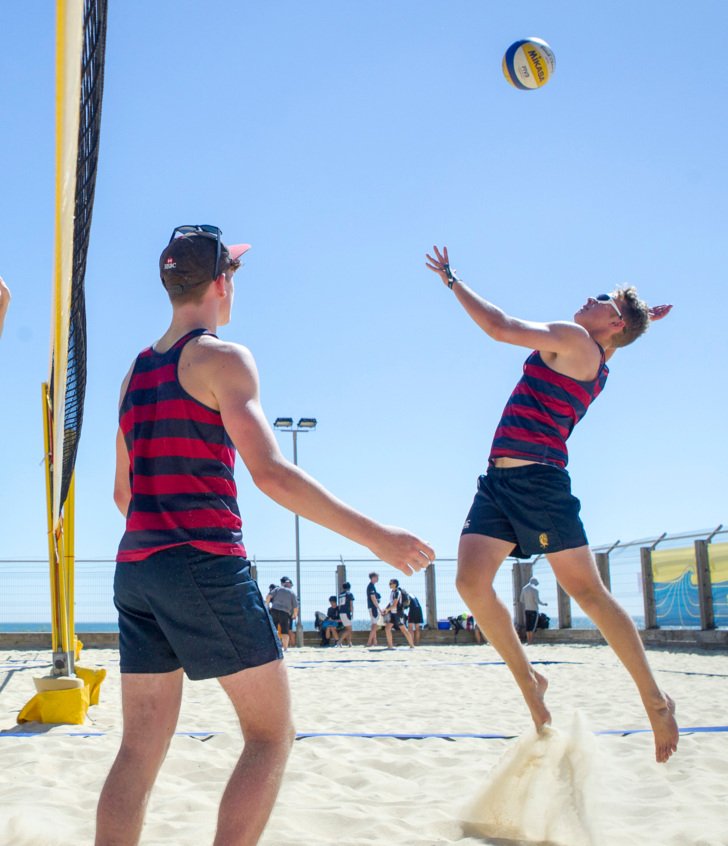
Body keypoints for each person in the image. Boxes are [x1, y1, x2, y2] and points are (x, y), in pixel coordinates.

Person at [96, 225, 435, 846]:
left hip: (137, 569)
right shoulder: (222, 358)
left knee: (138, 752)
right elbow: (271, 474)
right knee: (271, 735)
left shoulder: (134, 375)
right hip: (202, 560)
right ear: (221, 284)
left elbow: (123, 494)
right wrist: (376, 536)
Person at [426, 244, 678, 764]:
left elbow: (498, 326)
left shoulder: (576, 338)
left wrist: (452, 280)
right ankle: (531, 681)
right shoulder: (600, 354)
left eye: (601, 298)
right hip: (498, 481)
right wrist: (641, 316)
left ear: (610, 321)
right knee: (470, 584)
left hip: (539, 481)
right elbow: (622, 329)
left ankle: (655, 700)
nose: (587, 296)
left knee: (588, 593)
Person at [267, 577, 298, 651]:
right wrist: (295, 615)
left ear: (283, 584)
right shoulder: (292, 593)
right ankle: (285, 648)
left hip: (274, 611)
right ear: (290, 585)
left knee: (273, 629)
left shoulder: (277, 589)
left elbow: (268, 597)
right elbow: (296, 607)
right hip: (284, 613)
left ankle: (272, 646)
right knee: (285, 631)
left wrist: (267, 605)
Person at [383, 578, 415, 649]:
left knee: (403, 629)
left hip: (398, 613)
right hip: (393, 613)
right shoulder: (392, 592)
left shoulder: (397, 592)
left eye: (390, 583)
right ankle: (390, 646)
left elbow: (394, 604)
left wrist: (387, 610)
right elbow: (391, 603)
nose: (389, 585)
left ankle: (412, 645)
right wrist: (386, 609)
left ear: (395, 584)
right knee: (387, 628)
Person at [519, 577, 547, 645]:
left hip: (527, 610)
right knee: (532, 626)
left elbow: (521, 600)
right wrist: (544, 604)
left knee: (528, 626)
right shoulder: (535, 589)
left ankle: (528, 641)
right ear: (535, 582)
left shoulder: (524, 588)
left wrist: (528, 602)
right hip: (534, 610)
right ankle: (531, 641)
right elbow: (537, 601)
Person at [365, 571, 382, 647]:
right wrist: (379, 608)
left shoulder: (372, 586)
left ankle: (374, 641)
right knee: (375, 625)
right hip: (373, 607)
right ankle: (369, 642)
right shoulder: (371, 586)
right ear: (373, 578)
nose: (378, 579)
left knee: (373, 625)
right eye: (377, 577)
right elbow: (373, 598)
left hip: (372, 607)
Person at [337, 581, 355, 647]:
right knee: (349, 629)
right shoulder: (349, 594)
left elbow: (339, 605)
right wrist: (352, 613)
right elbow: (351, 604)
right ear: (349, 587)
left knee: (347, 628)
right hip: (346, 613)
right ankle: (339, 641)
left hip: (341, 613)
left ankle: (349, 643)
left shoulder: (340, 595)